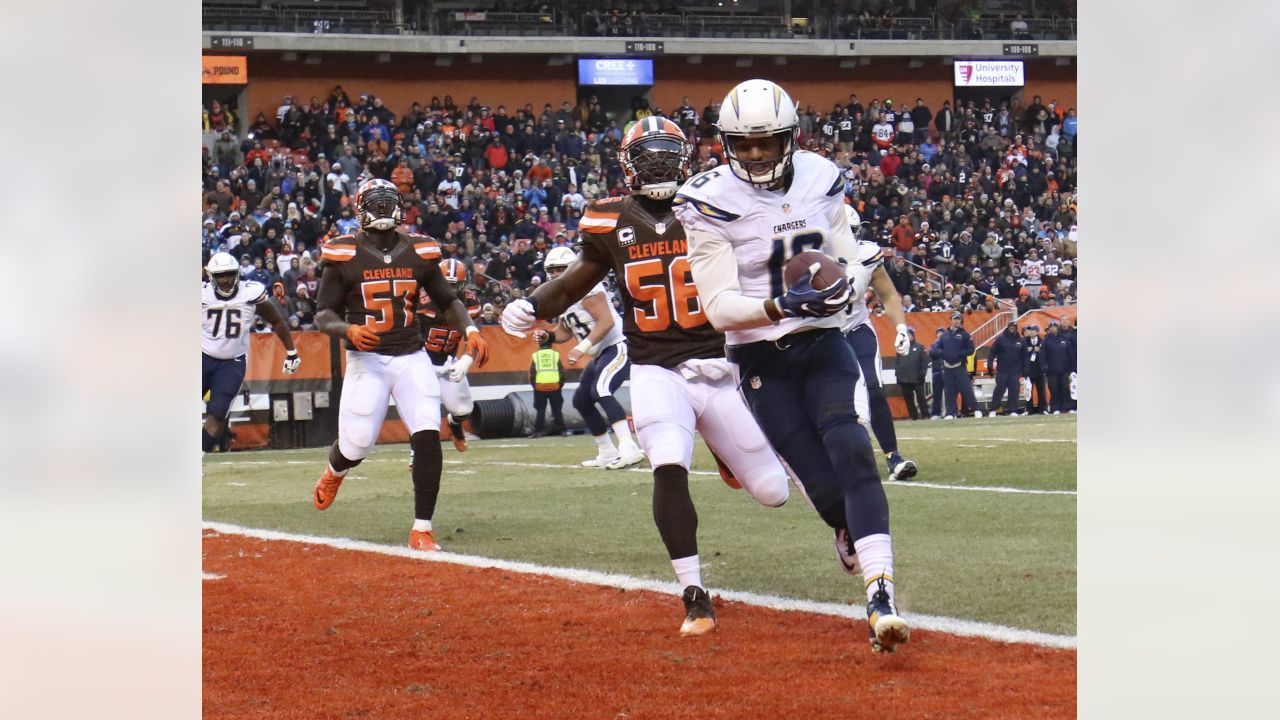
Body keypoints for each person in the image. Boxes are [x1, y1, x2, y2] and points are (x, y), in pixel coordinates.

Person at [503, 115, 790, 637]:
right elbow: (574, 284)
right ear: (627, 165)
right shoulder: (609, 221)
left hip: (719, 364)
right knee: (667, 464)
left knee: (774, 491)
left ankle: (732, 456)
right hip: (657, 366)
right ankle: (694, 595)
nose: (657, 165)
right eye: (646, 156)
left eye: (665, 155)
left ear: (685, 160)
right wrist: (530, 303)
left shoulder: (714, 202)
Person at [673, 79, 908, 653]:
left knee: (852, 447)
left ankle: (881, 597)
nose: (755, 154)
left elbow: (848, 253)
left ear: (791, 137)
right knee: (825, 489)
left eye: (768, 142)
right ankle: (846, 530)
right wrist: (781, 303)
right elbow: (720, 308)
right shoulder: (705, 200)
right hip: (759, 355)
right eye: (744, 143)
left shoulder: (822, 177)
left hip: (823, 340)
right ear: (726, 142)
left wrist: (843, 288)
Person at [310, 179, 490, 553]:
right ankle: (336, 470)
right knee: (356, 445)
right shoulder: (343, 253)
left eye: (385, 203)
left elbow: (447, 299)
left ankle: (422, 528)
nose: (380, 212)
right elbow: (323, 313)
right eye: (373, 205)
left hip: (411, 354)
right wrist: (348, 329)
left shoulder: (418, 251)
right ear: (360, 210)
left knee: (427, 431)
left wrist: (470, 329)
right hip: (367, 358)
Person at [528, 246, 645, 470]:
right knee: (581, 400)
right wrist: (549, 335)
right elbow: (565, 330)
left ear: (573, 267)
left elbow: (606, 321)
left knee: (601, 390)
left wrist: (581, 348)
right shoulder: (563, 295)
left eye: (560, 269)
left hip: (617, 344)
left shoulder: (587, 287)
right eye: (551, 270)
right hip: (601, 352)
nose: (555, 274)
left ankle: (629, 447)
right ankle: (606, 451)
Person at [841, 209, 918, 480]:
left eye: (853, 231)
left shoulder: (866, 254)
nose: (850, 237)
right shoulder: (810, 255)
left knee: (873, 387)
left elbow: (888, 295)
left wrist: (900, 327)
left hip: (856, 328)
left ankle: (892, 457)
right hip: (822, 333)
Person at [202, 252, 300, 452]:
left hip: (232, 362)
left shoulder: (251, 293)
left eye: (229, 274)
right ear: (211, 276)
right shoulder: (202, 294)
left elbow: (276, 321)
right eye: (220, 275)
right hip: (201, 356)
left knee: (219, 412)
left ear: (237, 273)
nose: (225, 280)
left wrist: (292, 351)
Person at [414, 257, 482, 454]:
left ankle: (454, 425)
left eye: (455, 285)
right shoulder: (421, 300)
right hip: (421, 360)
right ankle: (416, 453)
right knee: (424, 410)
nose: (450, 290)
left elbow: (475, 338)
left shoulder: (470, 301)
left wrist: (466, 361)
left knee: (463, 411)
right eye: (446, 284)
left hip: (448, 361)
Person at [932, 312, 978, 419]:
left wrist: (959, 354)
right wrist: (942, 353)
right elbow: (935, 349)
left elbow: (971, 349)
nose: (956, 321)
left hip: (960, 366)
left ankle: (976, 409)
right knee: (949, 391)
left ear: (961, 321)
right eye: (954, 319)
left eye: (959, 319)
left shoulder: (965, 335)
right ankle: (950, 413)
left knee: (966, 390)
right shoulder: (944, 335)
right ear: (951, 320)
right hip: (947, 367)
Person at [528, 332, 566, 437]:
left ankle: (538, 431)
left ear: (540, 344)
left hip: (540, 386)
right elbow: (561, 371)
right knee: (557, 410)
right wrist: (560, 383)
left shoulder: (536, 356)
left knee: (540, 410)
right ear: (551, 344)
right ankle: (562, 431)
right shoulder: (555, 354)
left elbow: (532, 372)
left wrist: (534, 385)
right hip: (555, 386)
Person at [987, 321, 1026, 416]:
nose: (1012, 328)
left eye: (1014, 327)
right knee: (999, 390)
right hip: (1002, 370)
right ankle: (993, 409)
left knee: (1014, 391)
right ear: (1008, 327)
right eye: (1011, 326)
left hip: (1015, 371)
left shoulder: (1021, 340)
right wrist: (990, 365)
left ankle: (1013, 410)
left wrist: (1025, 371)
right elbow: (992, 353)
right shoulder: (1000, 339)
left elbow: (1025, 357)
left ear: (1016, 328)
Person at [894, 328, 929, 421]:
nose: (907, 337)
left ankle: (925, 415)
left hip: (917, 377)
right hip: (904, 378)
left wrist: (922, 374)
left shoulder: (920, 347)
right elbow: (897, 362)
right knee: (908, 398)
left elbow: (924, 363)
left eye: (909, 334)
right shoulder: (900, 348)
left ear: (913, 336)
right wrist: (897, 374)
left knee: (921, 397)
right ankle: (913, 416)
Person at [1042, 319, 1075, 414]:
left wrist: (1071, 368)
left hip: (1064, 369)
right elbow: (1042, 356)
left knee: (1065, 388)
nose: (1053, 329)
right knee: (1053, 389)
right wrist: (1045, 367)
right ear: (1049, 329)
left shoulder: (1064, 339)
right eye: (1051, 327)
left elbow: (1070, 354)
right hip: (1051, 370)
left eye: (1055, 327)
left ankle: (1067, 407)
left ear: (1057, 328)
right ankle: (1055, 408)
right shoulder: (1046, 341)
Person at [1023, 324, 1048, 415]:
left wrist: (1040, 350)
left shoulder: (1043, 341)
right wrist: (1026, 350)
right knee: (1028, 390)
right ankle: (1029, 410)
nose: (1031, 332)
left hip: (1039, 369)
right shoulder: (1024, 341)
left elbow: (1046, 353)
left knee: (1041, 391)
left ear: (1037, 332)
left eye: (1033, 330)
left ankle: (1043, 409)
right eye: (1030, 330)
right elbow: (1020, 353)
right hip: (1029, 370)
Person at [928, 327, 945, 419]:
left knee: (949, 394)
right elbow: (932, 353)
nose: (939, 335)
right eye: (938, 333)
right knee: (936, 394)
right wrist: (940, 351)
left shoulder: (948, 344)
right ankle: (936, 413)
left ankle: (950, 412)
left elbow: (947, 353)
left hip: (946, 371)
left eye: (941, 333)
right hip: (936, 371)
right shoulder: (933, 345)